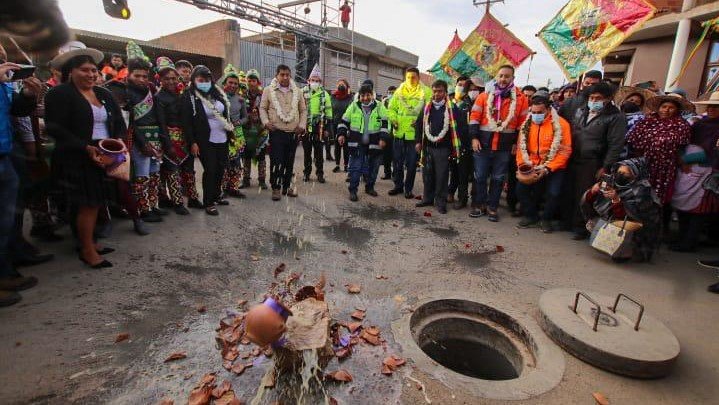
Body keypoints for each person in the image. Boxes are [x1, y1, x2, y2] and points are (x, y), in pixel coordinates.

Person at [45, 44, 125, 269]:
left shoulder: (103, 93)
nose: (91, 74)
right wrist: (85, 147)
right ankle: (87, 250)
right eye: (84, 70)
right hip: (77, 156)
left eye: (93, 70)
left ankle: (90, 241)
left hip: (105, 153)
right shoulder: (59, 94)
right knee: (87, 204)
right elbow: (55, 129)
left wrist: (118, 140)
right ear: (70, 72)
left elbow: (117, 120)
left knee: (98, 201)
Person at [0, 57, 44, 305]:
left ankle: (7, 268)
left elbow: (15, 110)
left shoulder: (4, 82)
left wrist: (28, 94)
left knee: (9, 218)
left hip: (6, 152)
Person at [562, 82, 626, 239]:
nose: (594, 100)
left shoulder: (615, 117)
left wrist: (606, 166)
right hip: (572, 157)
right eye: (591, 97)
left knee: (585, 194)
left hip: (593, 161)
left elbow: (615, 144)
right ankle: (566, 222)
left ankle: (580, 227)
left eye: (598, 98)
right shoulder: (581, 110)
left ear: (608, 99)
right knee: (568, 190)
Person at [468, 65, 529, 222]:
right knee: (480, 176)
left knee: (498, 178)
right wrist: (474, 138)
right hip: (482, 144)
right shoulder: (484, 96)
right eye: (501, 75)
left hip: (504, 147)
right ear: (496, 76)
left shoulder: (521, 99)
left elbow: (523, 125)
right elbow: (474, 117)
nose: (503, 79)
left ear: (512, 79)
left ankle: (492, 207)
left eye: (507, 76)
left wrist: (516, 143)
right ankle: (479, 204)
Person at [626, 94, 692, 233]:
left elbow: (681, 148)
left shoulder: (681, 125)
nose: (666, 110)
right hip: (644, 165)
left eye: (671, 108)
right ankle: (637, 226)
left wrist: (683, 163)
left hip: (665, 168)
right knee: (640, 196)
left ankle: (660, 229)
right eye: (664, 106)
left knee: (662, 199)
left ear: (677, 110)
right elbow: (633, 141)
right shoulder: (647, 121)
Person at [581, 158, 662, 262]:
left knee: (625, 234)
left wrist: (616, 200)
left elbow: (631, 217)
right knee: (596, 218)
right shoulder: (612, 182)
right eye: (619, 171)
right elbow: (590, 203)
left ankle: (628, 250)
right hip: (613, 219)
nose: (620, 175)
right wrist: (592, 191)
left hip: (636, 228)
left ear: (635, 174)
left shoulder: (641, 190)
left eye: (625, 173)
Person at [124, 46, 171, 223]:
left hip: (156, 137)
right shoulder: (126, 93)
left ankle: (153, 205)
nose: (142, 79)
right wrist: (143, 143)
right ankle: (142, 209)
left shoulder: (151, 91)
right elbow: (131, 123)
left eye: (145, 76)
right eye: (137, 76)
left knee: (154, 174)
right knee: (142, 176)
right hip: (139, 141)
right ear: (129, 75)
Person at [181, 65, 234, 215]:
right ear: (194, 80)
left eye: (207, 80)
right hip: (205, 140)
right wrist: (193, 142)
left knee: (221, 168)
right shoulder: (189, 96)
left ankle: (216, 196)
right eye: (201, 80)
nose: (204, 83)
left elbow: (225, 115)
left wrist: (230, 133)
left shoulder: (217, 94)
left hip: (222, 138)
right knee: (210, 170)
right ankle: (208, 202)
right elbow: (187, 123)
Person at [515, 93, 572, 233]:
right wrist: (523, 166)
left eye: (539, 112)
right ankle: (531, 216)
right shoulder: (526, 124)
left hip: (554, 166)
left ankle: (546, 219)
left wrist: (547, 168)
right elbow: (521, 148)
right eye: (533, 112)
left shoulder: (561, 124)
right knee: (521, 190)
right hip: (532, 164)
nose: (536, 115)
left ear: (548, 109)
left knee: (553, 193)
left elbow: (565, 151)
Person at [669, 92, 719, 252]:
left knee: (699, 209)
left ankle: (690, 241)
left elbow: (713, 151)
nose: (712, 109)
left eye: (716, 107)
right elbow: (684, 141)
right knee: (682, 204)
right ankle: (682, 236)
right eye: (711, 106)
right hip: (687, 171)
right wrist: (681, 158)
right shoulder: (699, 125)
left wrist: (688, 160)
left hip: (708, 172)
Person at [415, 80, 466, 214]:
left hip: (443, 149)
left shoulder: (452, 108)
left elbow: (459, 128)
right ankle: (427, 198)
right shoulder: (427, 106)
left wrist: (454, 147)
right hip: (428, 147)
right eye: (435, 91)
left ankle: (440, 202)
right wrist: (418, 142)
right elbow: (419, 124)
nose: (437, 94)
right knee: (427, 174)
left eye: (440, 91)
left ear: (445, 92)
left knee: (442, 176)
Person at [259, 64, 307, 201]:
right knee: (276, 161)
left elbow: (303, 110)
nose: (285, 77)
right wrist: (266, 122)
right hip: (277, 132)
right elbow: (262, 108)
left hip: (293, 133)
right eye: (282, 74)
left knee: (289, 161)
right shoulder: (268, 90)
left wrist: (302, 125)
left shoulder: (297, 91)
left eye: (287, 74)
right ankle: (276, 188)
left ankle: (286, 187)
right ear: (277, 75)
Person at [336, 82, 389, 201]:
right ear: (359, 96)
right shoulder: (354, 106)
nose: (365, 98)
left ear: (372, 95)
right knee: (356, 168)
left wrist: (383, 138)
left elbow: (386, 123)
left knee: (373, 168)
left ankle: (369, 187)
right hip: (357, 144)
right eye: (362, 95)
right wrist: (341, 134)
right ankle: (353, 190)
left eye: (368, 95)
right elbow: (344, 121)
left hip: (375, 144)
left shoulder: (379, 106)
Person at [387, 67, 431, 199]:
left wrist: (420, 122)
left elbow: (429, 111)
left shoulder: (426, 92)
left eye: (413, 77)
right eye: (408, 77)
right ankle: (398, 186)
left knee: (411, 164)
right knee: (397, 162)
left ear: (418, 78)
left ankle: (408, 189)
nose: (410, 80)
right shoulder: (399, 91)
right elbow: (391, 109)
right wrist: (393, 120)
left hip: (414, 136)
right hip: (399, 133)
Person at [155, 57, 191, 216]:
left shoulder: (181, 94)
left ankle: (168, 199)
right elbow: (161, 124)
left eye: (173, 78)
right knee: (171, 170)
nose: (171, 81)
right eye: (166, 78)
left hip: (183, 138)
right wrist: (168, 145)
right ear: (160, 80)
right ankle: (177, 202)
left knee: (184, 169)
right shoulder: (159, 97)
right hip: (168, 138)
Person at [448, 75, 478, 209]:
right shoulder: (461, 104)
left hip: (479, 145)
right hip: (463, 145)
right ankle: (462, 198)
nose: (473, 91)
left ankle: (477, 200)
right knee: (462, 174)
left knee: (478, 176)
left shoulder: (484, 102)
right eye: (470, 89)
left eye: (476, 89)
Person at [220, 64, 248, 198]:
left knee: (236, 162)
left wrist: (238, 123)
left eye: (235, 83)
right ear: (225, 83)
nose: (233, 85)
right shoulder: (218, 98)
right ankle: (223, 189)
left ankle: (234, 187)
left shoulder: (240, 100)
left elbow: (245, 118)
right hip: (223, 134)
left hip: (237, 135)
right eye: (230, 82)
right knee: (224, 162)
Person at [302, 64, 332, 183]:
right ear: (308, 81)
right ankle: (307, 173)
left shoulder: (325, 94)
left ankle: (320, 174)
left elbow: (329, 113)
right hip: (305, 127)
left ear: (320, 82)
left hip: (319, 127)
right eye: (313, 80)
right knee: (307, 152)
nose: (314, 82)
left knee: (319, 153)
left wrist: (327, 129)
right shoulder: (302, 92)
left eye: (317, 80)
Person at [241, 69, 268, 190]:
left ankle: (262, 180)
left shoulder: (264, 96)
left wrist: (264, 124)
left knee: (261, 156)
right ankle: (246, 179)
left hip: (261, 130)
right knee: (246, 156)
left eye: (254, 80)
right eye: (250, 80)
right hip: (246, 131)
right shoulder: (242, 95)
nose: (252, 83)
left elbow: (268, 111)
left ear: (258, 82)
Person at [331, 79, 353, 175]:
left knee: (346, 146)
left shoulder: (350, 98)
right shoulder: (333, 97)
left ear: (347, 86)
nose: (340, 85)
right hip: (335, 124)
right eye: (339, 84)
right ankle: (337, 164)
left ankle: (346, 165)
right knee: (337, 145)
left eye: (343, 84)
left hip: (346, 124)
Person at [381, 85, 397, 180]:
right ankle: (387, 173)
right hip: (386, 131)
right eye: (389, 92)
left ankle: (395, 174)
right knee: (386, 155)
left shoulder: (399, 102)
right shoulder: (384, 102)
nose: (391, 94)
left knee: (395, 155)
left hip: (395, 131)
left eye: (393, 92)